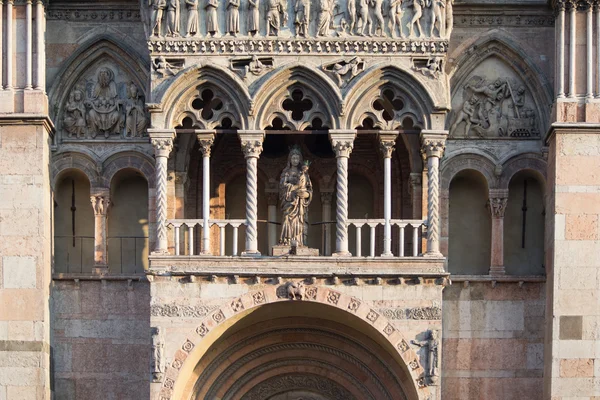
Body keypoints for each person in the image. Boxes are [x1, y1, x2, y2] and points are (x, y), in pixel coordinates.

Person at [279, 147, 313, 247]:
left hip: (300, 203)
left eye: (297, 158)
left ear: (300, 160)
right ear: (290, 159)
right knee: (286, 218)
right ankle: (286, 240)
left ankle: (299, 242)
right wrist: (292, 188)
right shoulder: (286, 173)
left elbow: (309, 189)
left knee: (299, 222)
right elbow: (282, 186)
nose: (295, 160)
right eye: (293, 158)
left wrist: (306, 195)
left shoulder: (304, 174)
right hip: (289, 201)